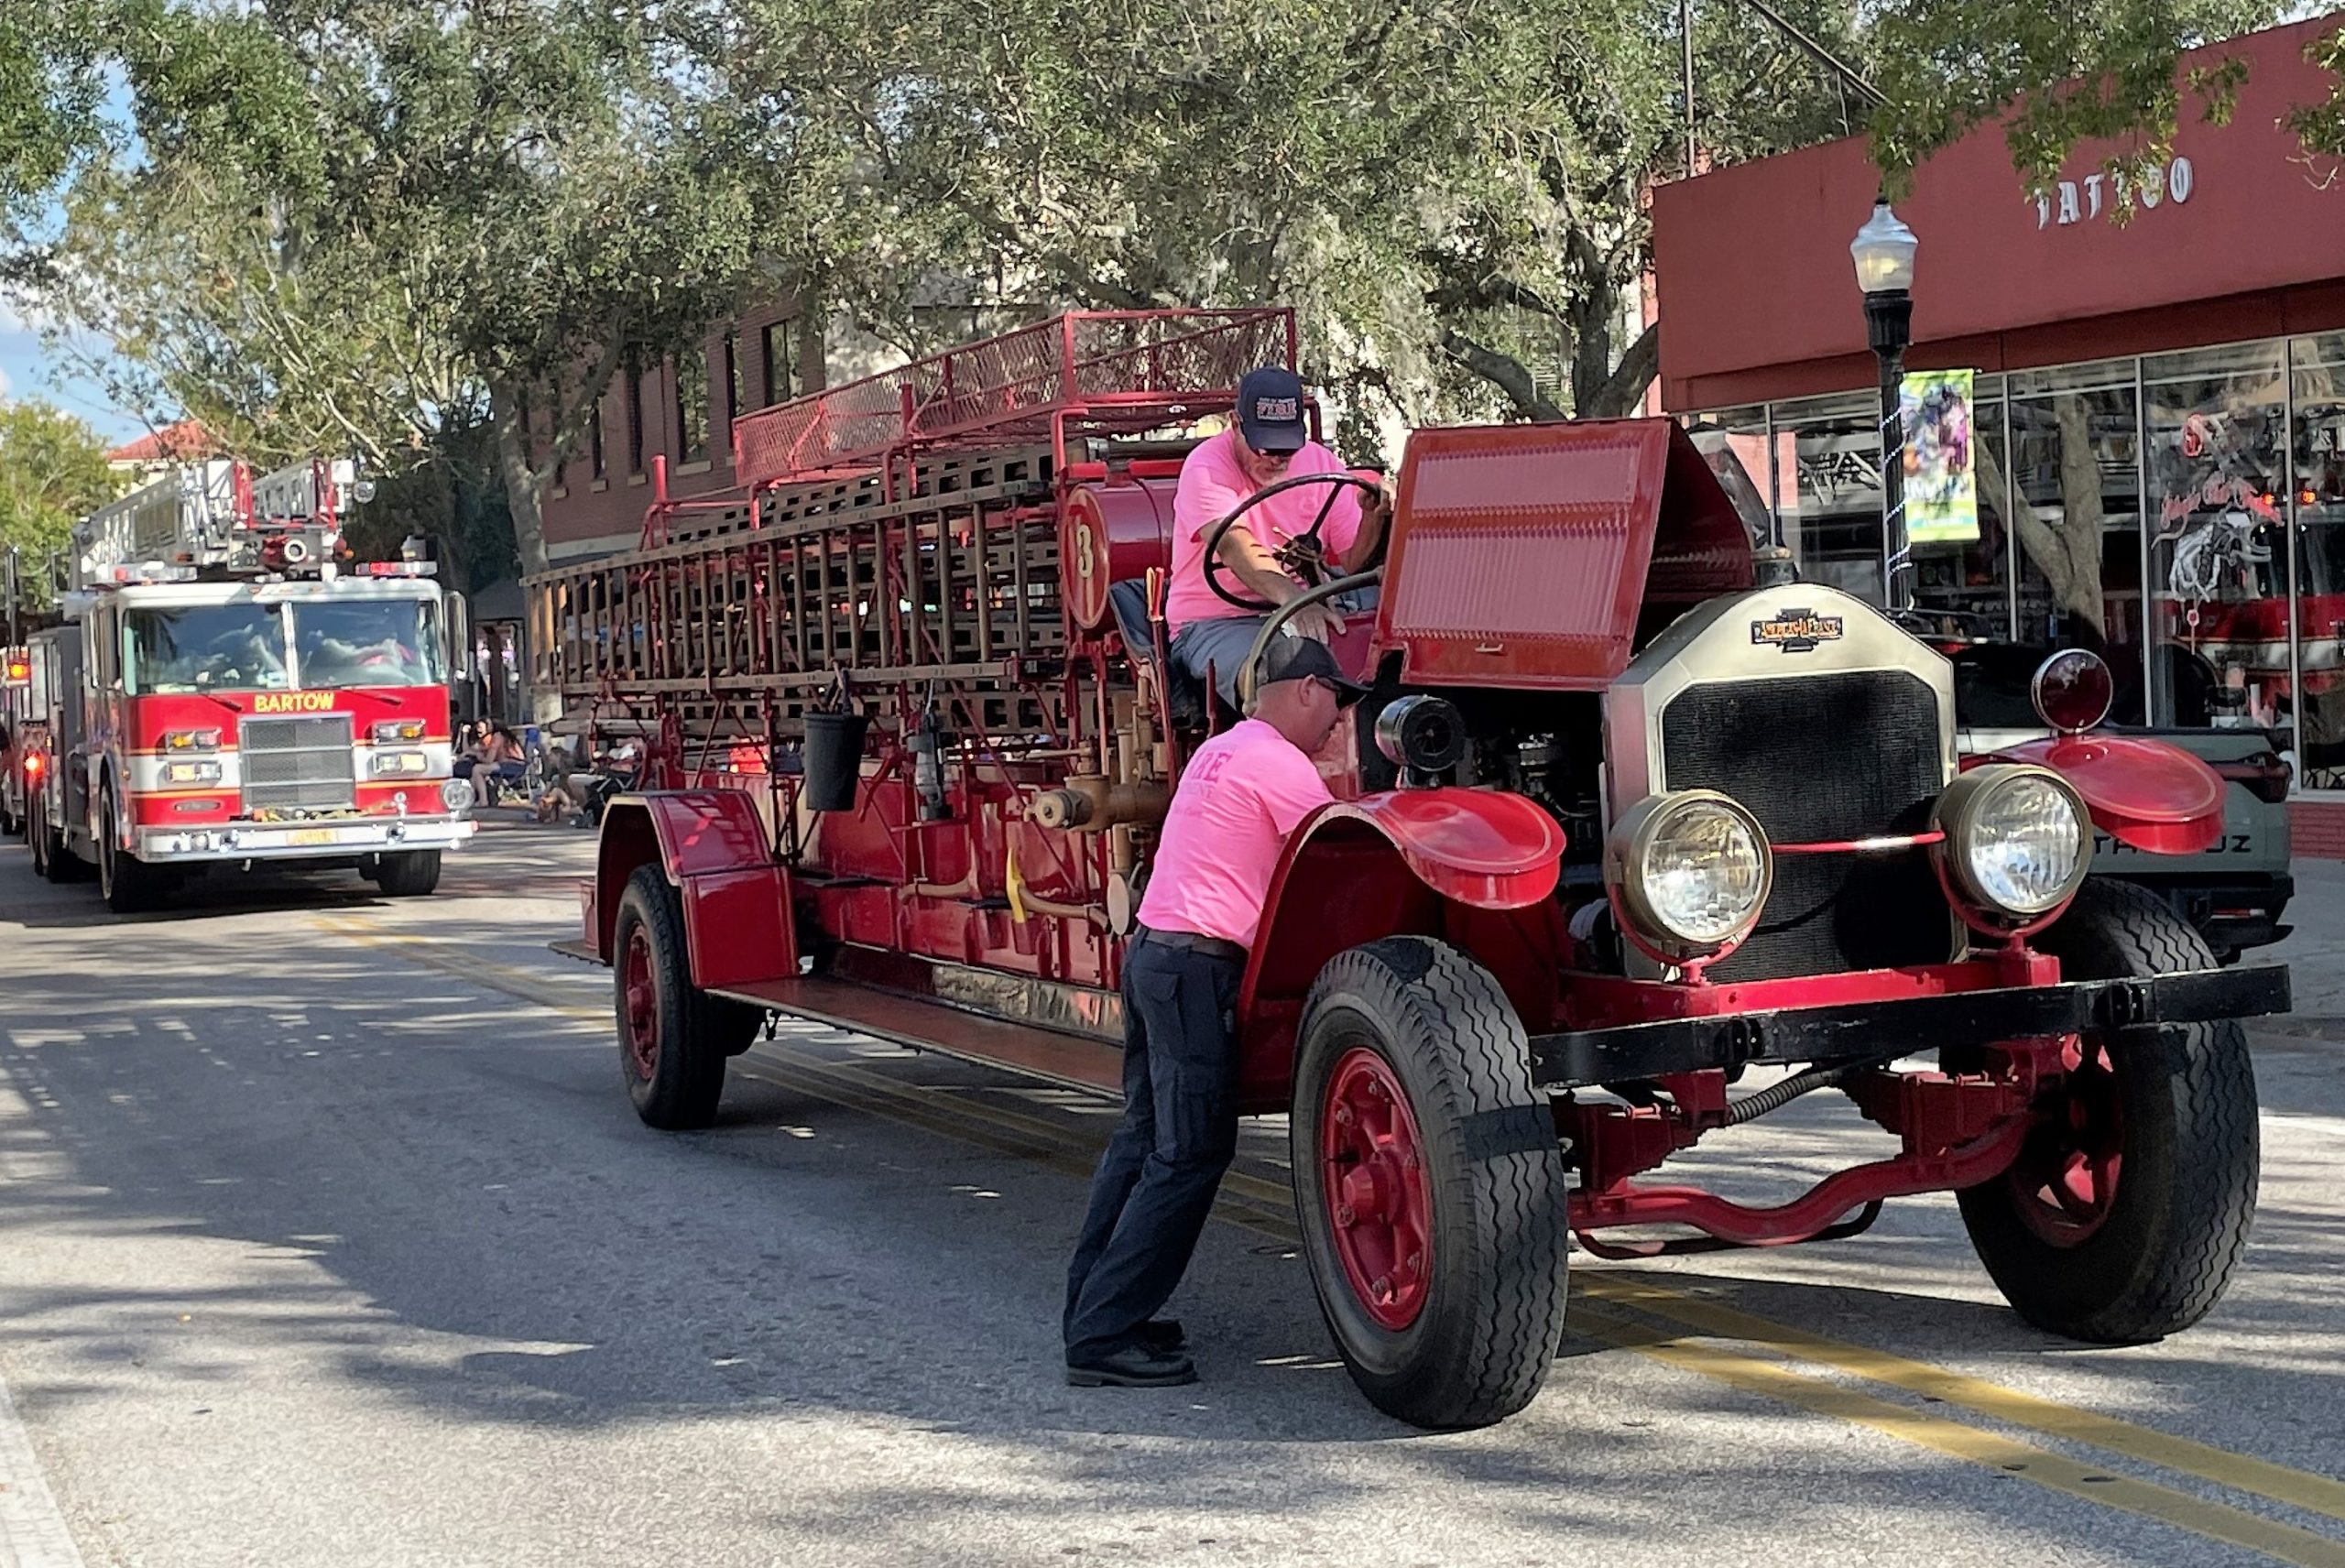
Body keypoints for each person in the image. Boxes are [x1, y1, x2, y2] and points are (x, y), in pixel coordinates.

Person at [1063, 634, 1366, 1388]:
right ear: (1305, 690)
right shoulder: (1280, 765)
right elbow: (1341, 855)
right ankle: (1103, 1336)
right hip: (1196, 968)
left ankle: (1094, 1311)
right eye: (1336, 701)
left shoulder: (1220, 751)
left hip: (1156, 955)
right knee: (1190, 1152)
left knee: (1143, 1140)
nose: (1337, 722)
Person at [1165, 366, 1391, 710]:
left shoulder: (1320, 462)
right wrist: (1294, 601)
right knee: (1281, 672)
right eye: (1265, 447)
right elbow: (1233, 544)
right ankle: (1285, 758)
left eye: (1286, 449)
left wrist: (1374, 519)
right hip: (1216, 622)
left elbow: (1354, 560)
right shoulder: (1206, 467)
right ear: (1236, 424)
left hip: (1304, 606)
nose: (1275, 459)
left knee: (1382, 658)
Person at [455, 723, 527, 804]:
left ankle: (483, 801)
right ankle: (469, 799)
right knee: (475, 775)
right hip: (517, 765)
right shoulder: (505, 736)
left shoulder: (497, 736)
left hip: (511, 765)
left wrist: (479, 756)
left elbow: (489, 760)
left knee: (477, 769)